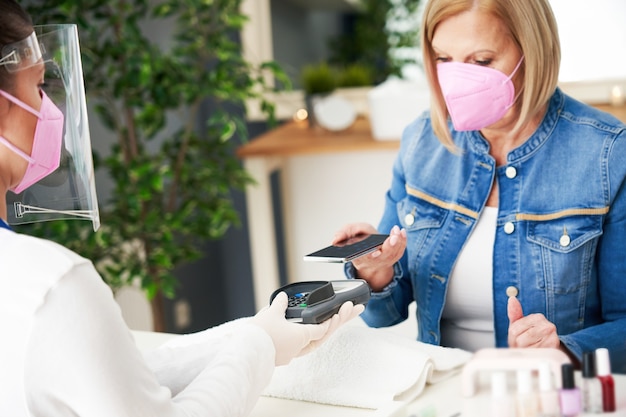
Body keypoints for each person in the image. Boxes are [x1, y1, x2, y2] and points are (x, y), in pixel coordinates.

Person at [0, 1, 363, 416]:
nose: (51, 109)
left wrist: (255, 331)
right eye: (40, 86)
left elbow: (119, 378)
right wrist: (260, 346)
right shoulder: (53, 286)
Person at [333, 0, 626, 373]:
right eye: (444, 59)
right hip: (444, 393)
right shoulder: (421, 144)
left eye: (482, 61)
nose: (458, 80)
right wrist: (374, 271)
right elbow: (382, 315)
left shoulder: (607, 153)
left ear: (532, 52)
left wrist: (565, 351)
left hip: (546, 399)